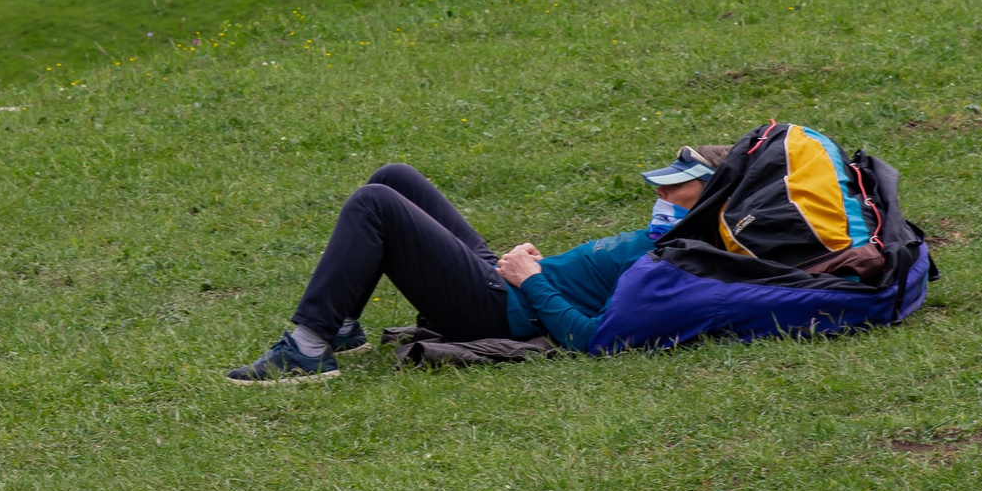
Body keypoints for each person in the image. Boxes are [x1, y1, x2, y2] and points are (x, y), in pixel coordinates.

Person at [224, 154, 715, 383]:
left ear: (714, 196)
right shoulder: (663, 236)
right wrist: (539, 266)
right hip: (507, 282)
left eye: (677, 186)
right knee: (394, 178)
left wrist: (533, 280)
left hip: (499, 311)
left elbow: (593, 338)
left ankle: (308, 349)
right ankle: (342, 325)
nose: (660, 191)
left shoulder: (673, 263)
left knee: (374, 204)